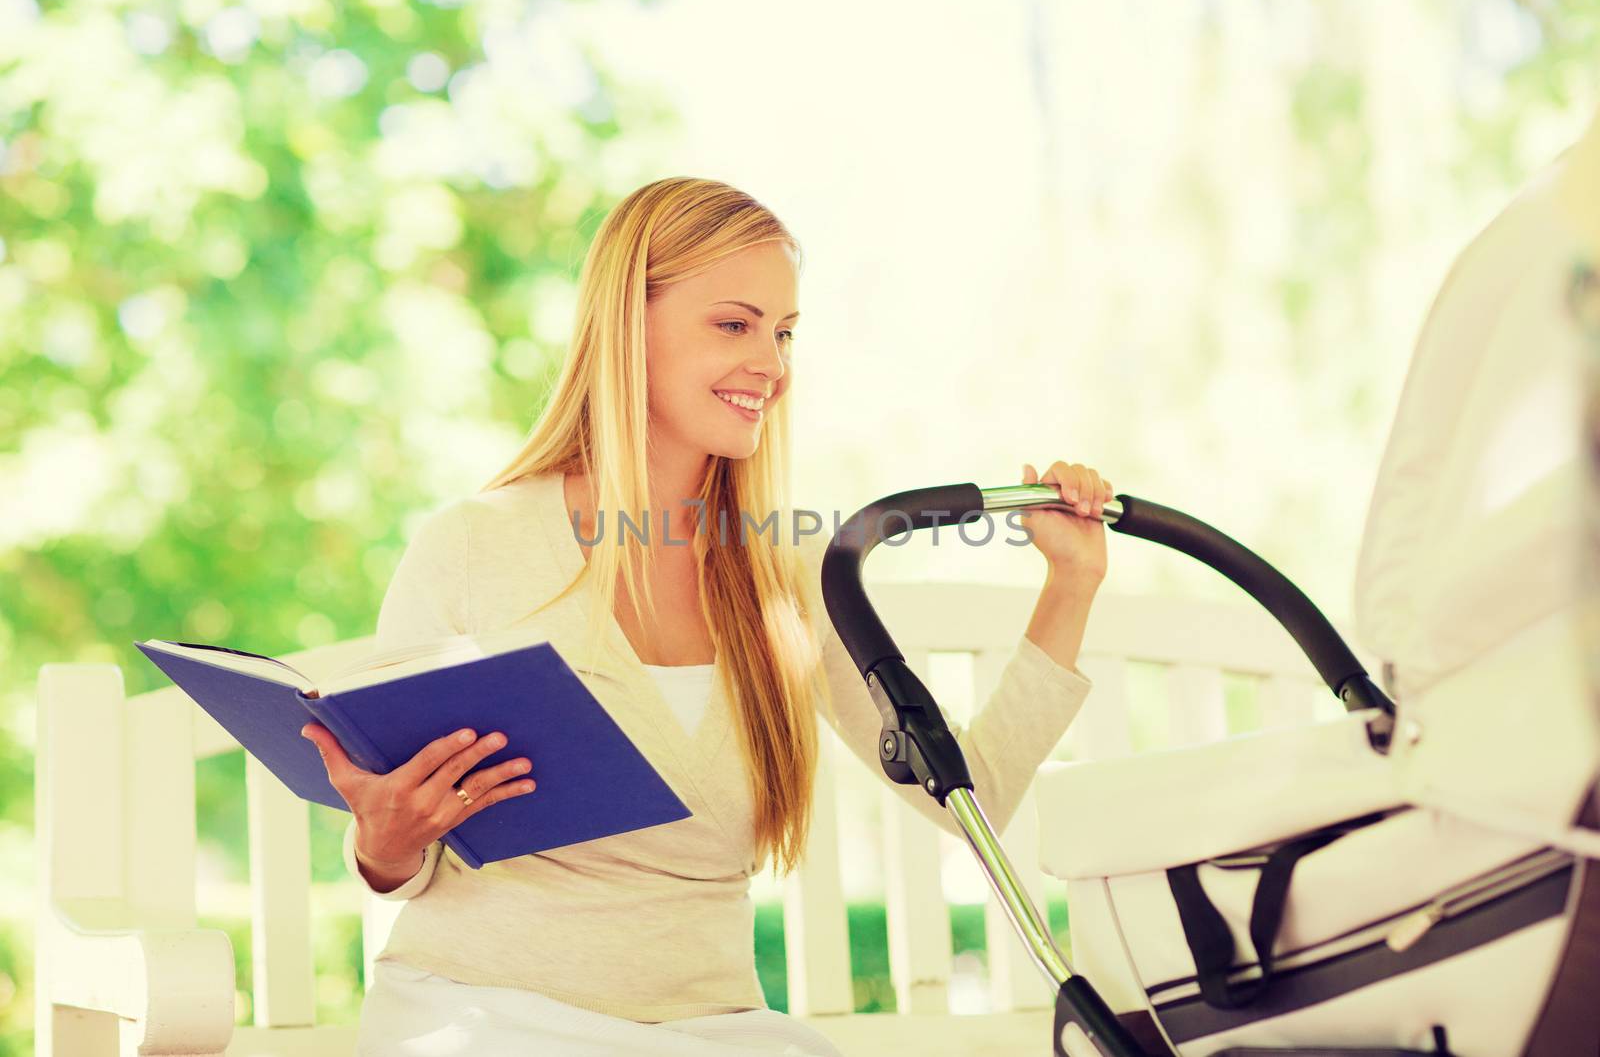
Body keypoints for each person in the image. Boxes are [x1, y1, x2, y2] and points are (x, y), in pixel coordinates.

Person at [300, 176, 1114, 1055]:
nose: (772, 363)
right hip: (481, 1016)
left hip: (712, 1030)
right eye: (734, 323)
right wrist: (382, 840)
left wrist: (1070, 585)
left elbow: (971, 797)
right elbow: (398, 850)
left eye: (785, 331)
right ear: (627, 327)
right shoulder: (472, 544)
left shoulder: (788, 569)